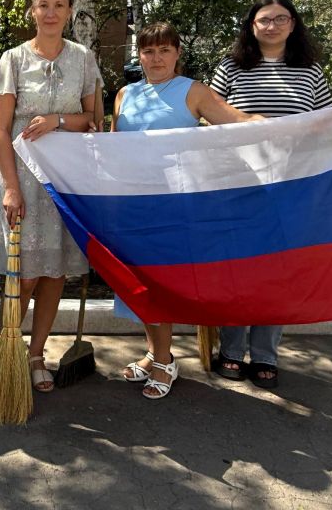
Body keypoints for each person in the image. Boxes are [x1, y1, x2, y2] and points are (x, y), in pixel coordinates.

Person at [209, 0, 332, 390]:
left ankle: (264, 356)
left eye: (280, 19)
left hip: (292, 188)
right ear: (251, 26)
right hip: (238, 185)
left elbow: (325, 122)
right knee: (238, 268)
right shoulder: (230, 68)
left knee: (278, 270)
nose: (272, 25)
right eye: (264, 20)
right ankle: (230, 350)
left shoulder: (309, 72)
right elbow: (208, 119)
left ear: (293, 24)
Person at [112, 21, 264, 399]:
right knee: (139, 283)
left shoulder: (193, 91)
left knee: (161, 282)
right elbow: (113, 147)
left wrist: (296, 126)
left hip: (174, 204)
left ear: (178, 53)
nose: (156, 57)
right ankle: (154, 352)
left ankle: (165, 361)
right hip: (132, 205)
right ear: (140, 55)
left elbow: (238, 123)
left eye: (164, 50)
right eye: (148, 51)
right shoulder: (124, 95)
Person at [0, 0, 102, 393]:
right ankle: (8, 350)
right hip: (21, 177)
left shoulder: (84, 58)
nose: (51, 13)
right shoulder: (12, 59)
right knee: (24, 274)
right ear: (32, 11)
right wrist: (11, 187)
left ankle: (36, 353)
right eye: (43, 5)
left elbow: (94, 121)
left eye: (59, 6)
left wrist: (58, 121)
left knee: (54, 274)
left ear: (69, 12)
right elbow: (0, 130)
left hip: (65, 179)